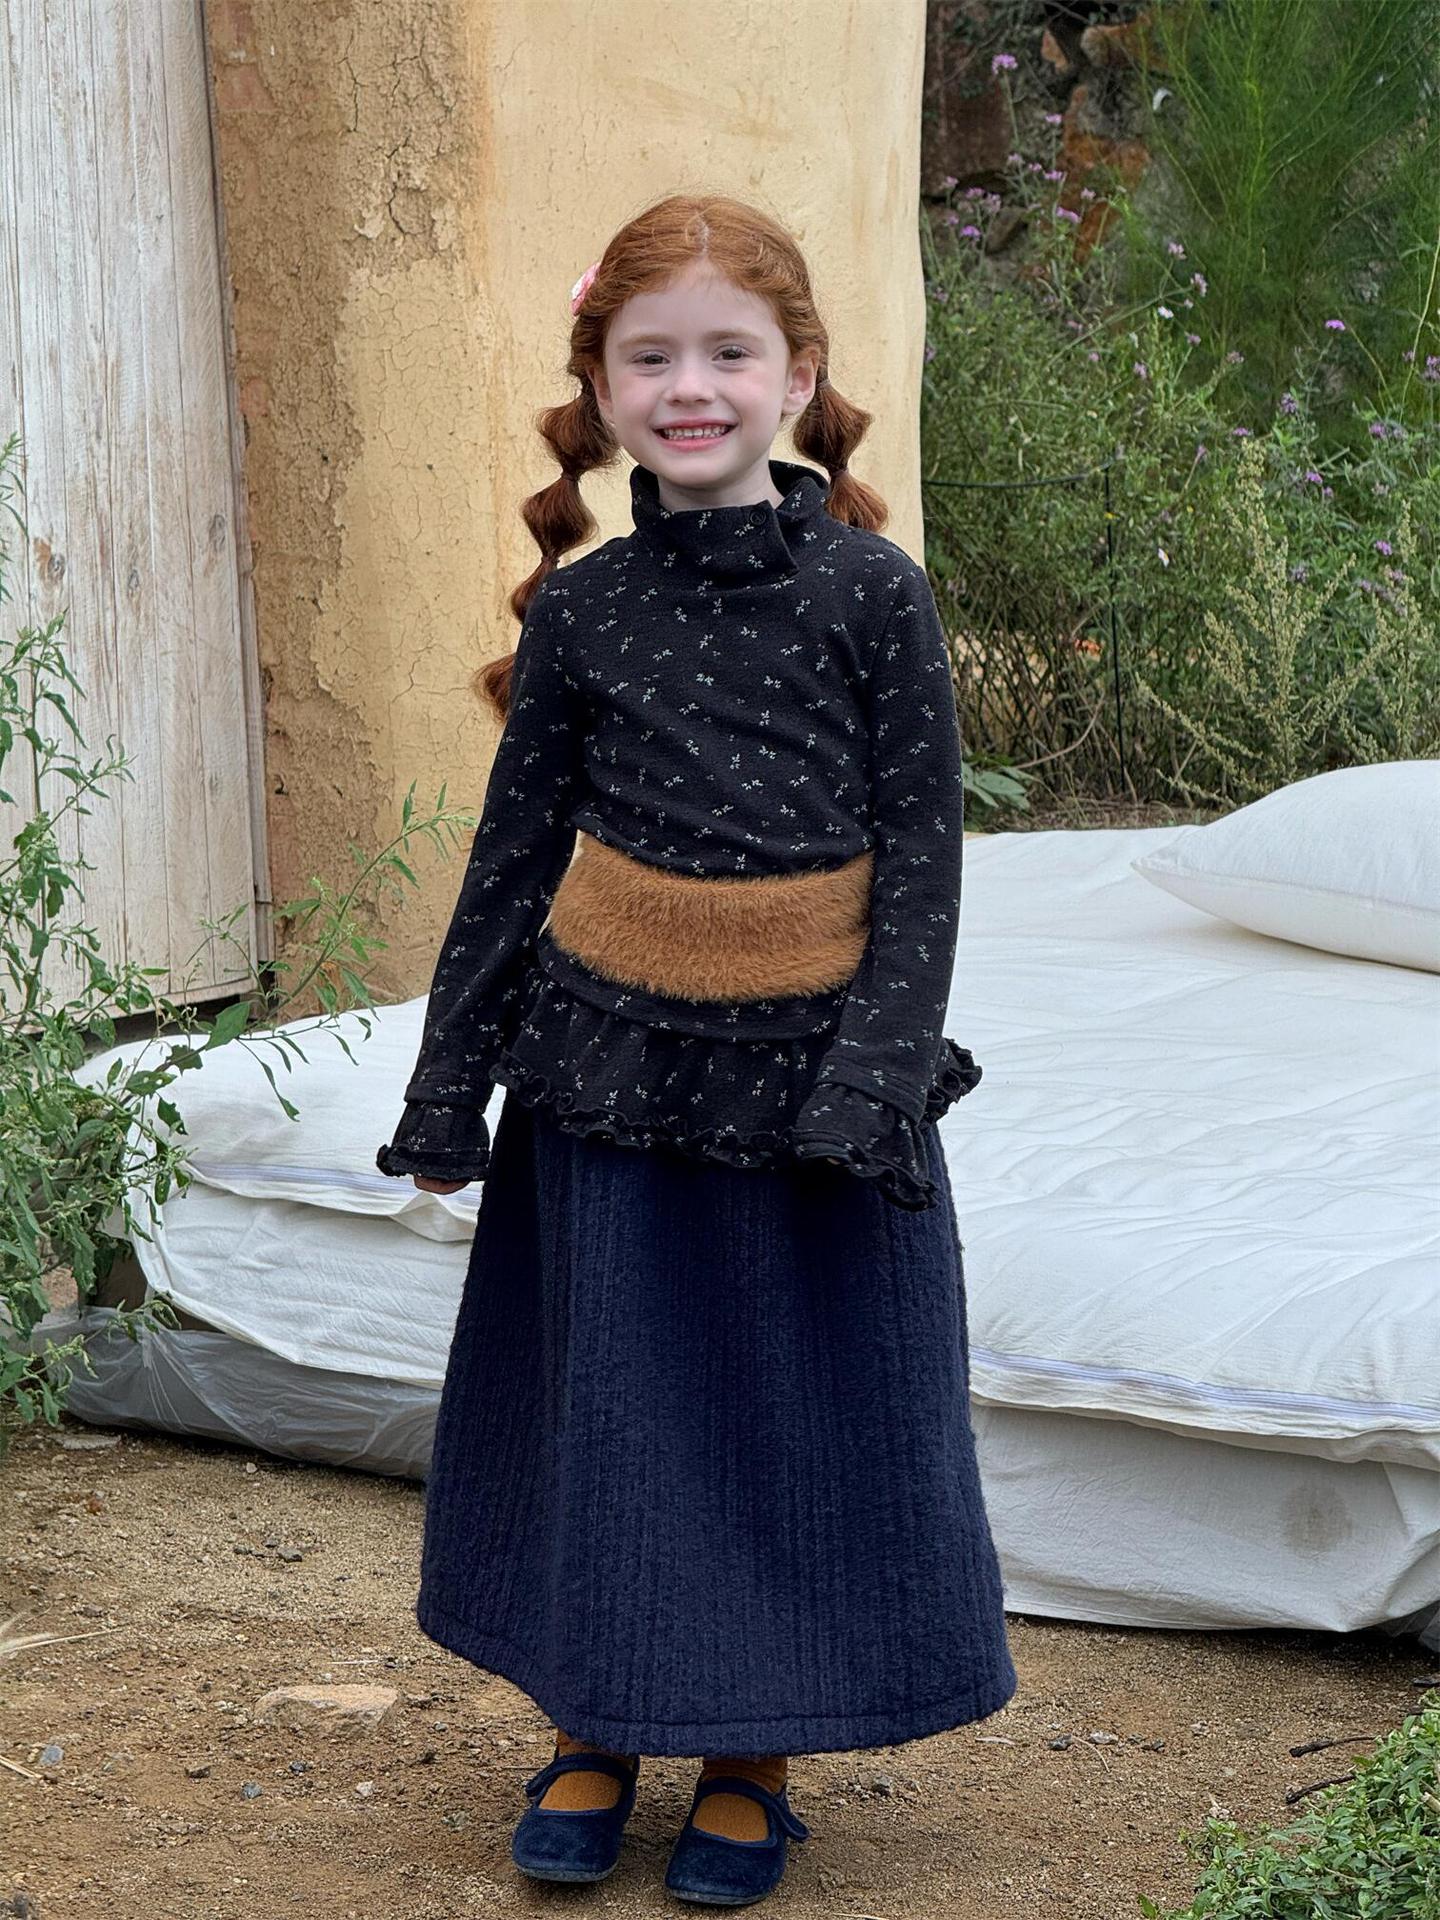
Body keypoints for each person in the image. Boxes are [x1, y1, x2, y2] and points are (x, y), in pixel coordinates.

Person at [375, 191, 1017, 1908]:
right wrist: (449, 1086)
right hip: (605, 1084)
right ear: (598, 388)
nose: (691, 387)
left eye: (730, 353)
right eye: (649, 356)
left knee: (779, 1417)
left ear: (798, 377)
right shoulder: (584, 614)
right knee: (610, 1407)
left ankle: (753, 1759)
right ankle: (590, 1724)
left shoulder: (875, 597)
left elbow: (925, 858)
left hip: (810, 1086)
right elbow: (514, 859)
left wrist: (873, 1080)